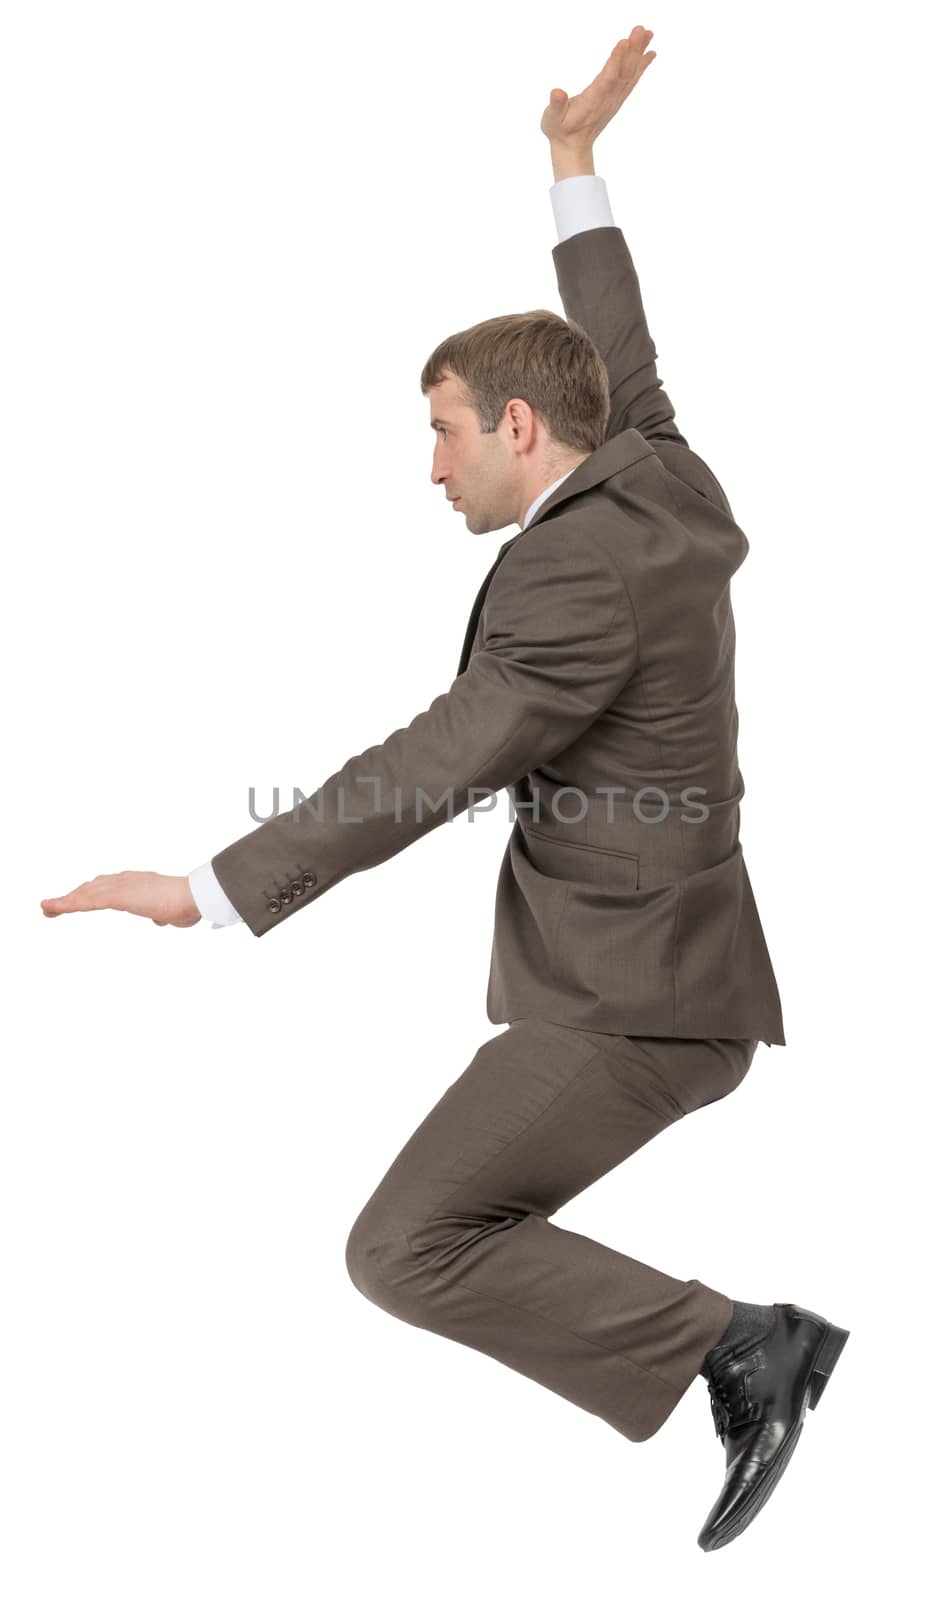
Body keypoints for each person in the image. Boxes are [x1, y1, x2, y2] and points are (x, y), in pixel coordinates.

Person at [39, 25, 849, 1552]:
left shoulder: (572, 578)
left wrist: (209, 890)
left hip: (630, 1003)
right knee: (419, 1237)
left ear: (519, 430)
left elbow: (432, 763)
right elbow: (629, 356)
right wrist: (572, 167)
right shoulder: (658, 477)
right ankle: (731, 1343)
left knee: (407, 1246)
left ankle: (744, 1345)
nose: (431, 469)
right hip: (678, 973)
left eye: (443, 431)